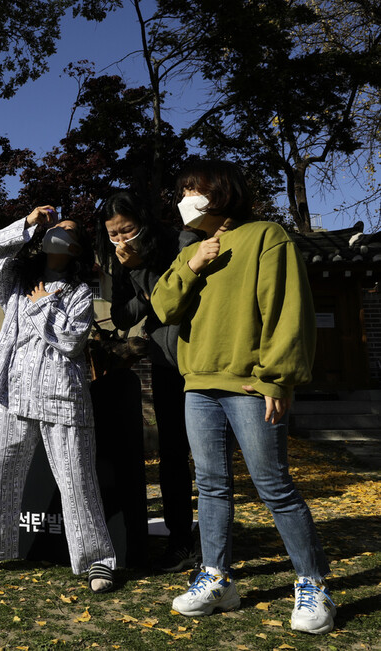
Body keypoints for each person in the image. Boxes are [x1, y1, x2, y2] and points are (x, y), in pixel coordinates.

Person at [150, 160, 334, 634]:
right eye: (183, 189)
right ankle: (217, 577)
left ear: (222, 192)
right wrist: (194, 264)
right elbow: (163, 307)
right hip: (198, 385)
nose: (185, 197)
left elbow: (286, 308)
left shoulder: (266, 236)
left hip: (251, 384)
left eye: (195, 188)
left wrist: (279, 378)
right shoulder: (191, 248)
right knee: (210, 486)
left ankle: (313, 584)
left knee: (274, 486)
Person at [0, 206, 118, 594]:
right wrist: (28, 224)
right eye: (56, 227)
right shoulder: (15, 280)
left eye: (69, 230)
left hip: (62, 396)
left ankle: (98, 560)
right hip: (13, 393)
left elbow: (70, 339)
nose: (59, 232)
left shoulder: (79, 292)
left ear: (78, 248)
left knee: (76, 479)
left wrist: (45, 301)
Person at [95, 191, 200, 572]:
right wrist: (132, 271)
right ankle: (179, 538)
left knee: (206, 455)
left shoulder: (180, 241)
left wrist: (141, 269)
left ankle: (211, 541)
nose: (122, 240)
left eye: (127, 230)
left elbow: (175, 298)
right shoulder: (123, 261)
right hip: (165, 360)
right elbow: (122, 315)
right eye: (114, 235)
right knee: (172, 452)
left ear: (144, 220)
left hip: (200, 355)